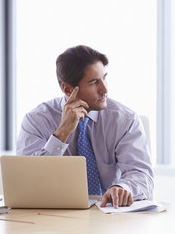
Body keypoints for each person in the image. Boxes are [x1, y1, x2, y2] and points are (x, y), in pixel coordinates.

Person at [16, 45, 154, 208]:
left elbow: (141, 175)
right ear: (67, 89)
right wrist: (62, 133)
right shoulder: (36, 120)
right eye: (94, 82)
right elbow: (28, 182)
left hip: (110, 216)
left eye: (104, 78)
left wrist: (122, 188)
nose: (105, 89)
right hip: (55, 216)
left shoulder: (124, 120)